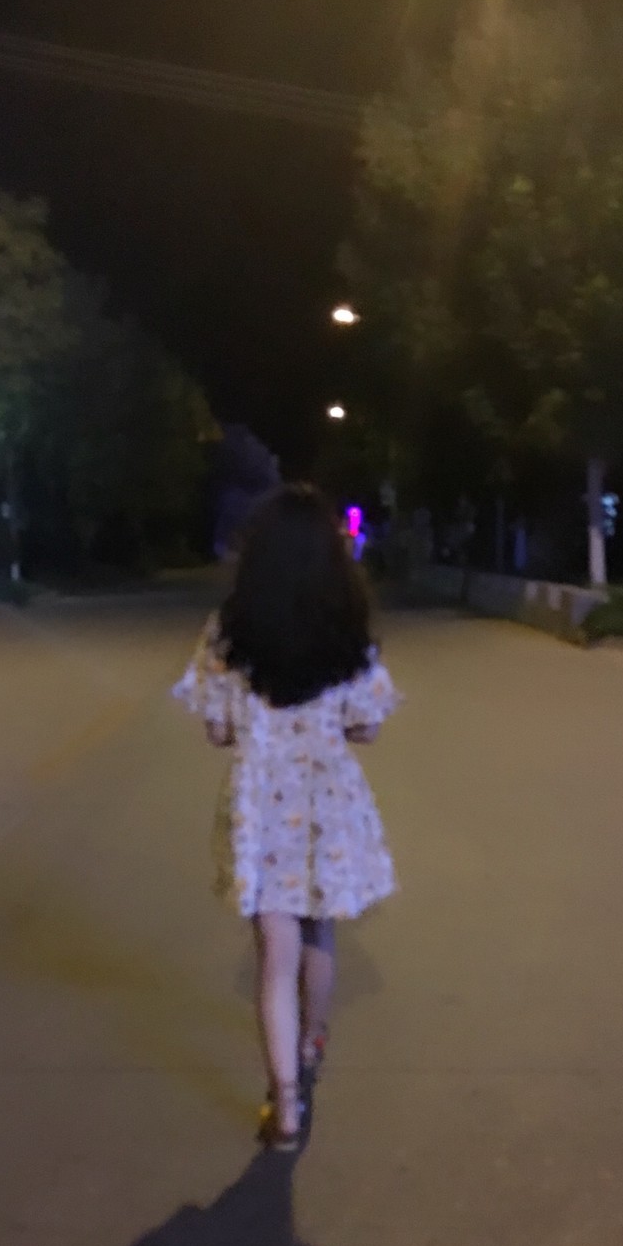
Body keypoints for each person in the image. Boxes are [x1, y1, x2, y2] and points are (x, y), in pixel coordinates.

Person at [173, 484, 399, 1154]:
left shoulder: (228, 629)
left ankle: (286, 1104)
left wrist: (256, 726)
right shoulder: (347, 627)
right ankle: (310, 1042)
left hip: (262, 805)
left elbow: (217, 730)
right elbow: (367, 726)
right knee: (318, 928)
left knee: (274, 953)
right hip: (326, 801)